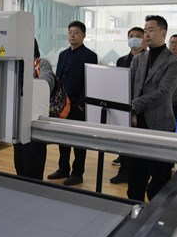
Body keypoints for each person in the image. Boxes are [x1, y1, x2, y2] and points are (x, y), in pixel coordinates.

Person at [127, 15, 177, 202]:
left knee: (159, 176)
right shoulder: (138, 59)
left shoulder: (175, 62)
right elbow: (129, 87)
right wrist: (130, 112)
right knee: (135, 173)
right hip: (136, 124)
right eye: (145, 31)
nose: (146, 34)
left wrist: (133, 106)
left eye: (151, 30)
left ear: (163, 33)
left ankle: (156, 213)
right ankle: (134, 208)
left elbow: (164, 93)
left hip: (160, 124)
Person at [47, 21, 98, 186]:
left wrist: (81, 103)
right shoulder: (63, 54)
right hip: (62, 104)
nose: (72, 35)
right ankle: (63, 168)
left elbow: (91, 81)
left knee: (78, 141)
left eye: (76, 32)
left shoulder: (90, 55)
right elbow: (58, 79)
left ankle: (77, 173)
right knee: (62, 139)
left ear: (83, 35)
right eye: (70, 32)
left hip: (77, 105)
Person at [14, 38, 54, 180]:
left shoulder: (41, 63)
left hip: (35, 120)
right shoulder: (15, 64)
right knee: (19, 162)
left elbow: (47, 84)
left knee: (33, 163)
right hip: (18, 120)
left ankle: (34, 188)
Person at [110, 26, 146, 185]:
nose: (134, 38)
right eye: (131, 36)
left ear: (144, 39)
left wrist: (136, 109)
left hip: (142, 107)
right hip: (123, 105)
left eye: (138, 36)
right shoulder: (122, 60)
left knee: (139, 144)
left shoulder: (148, 60)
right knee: (123, 141)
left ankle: (139, 176)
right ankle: (123, 172)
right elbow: (118, 83)